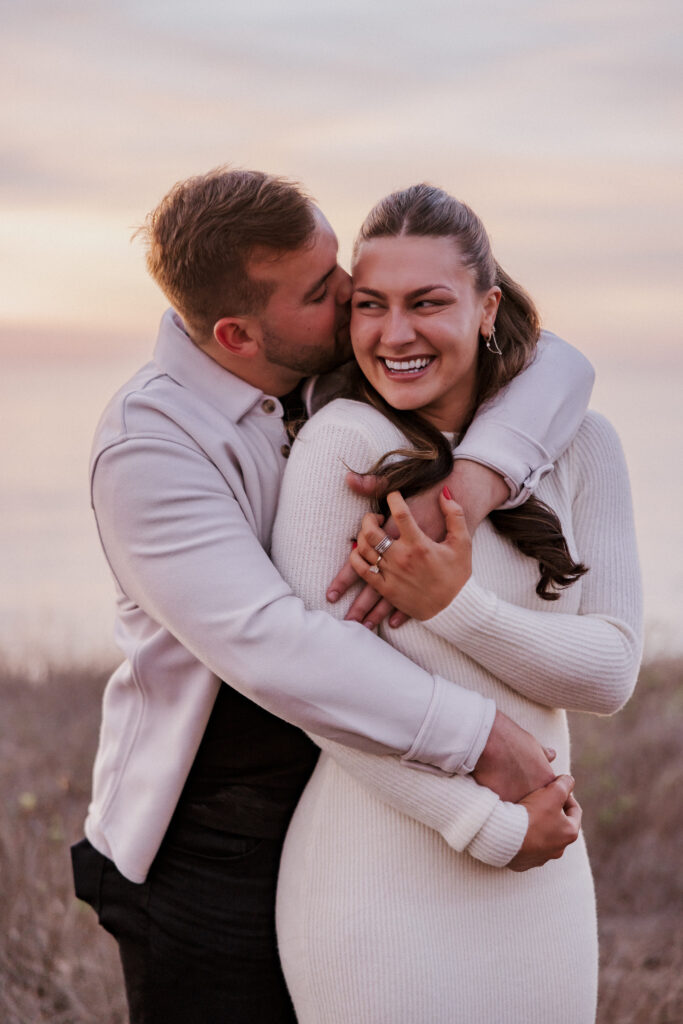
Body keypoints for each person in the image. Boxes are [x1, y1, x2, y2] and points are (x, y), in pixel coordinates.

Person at [71, 168, 596, 1024]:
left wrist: (461, 485)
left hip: (350, 807)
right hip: (208, 845)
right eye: (325, 289)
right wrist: (480, 739)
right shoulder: (149, 446)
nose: (355, 294)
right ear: (238, 333)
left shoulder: (318, 377)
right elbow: (273, 643)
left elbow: (562, 367)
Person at [272, 184, 643, 1023]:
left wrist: (453, 607)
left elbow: (612, 673)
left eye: (427, 303)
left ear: (487, 307)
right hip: (376, 880)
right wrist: (486, 825)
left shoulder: (585, 443)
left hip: (545, 882)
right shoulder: (340, 448)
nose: (394, 334)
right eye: (370, 305)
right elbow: (321, 696)